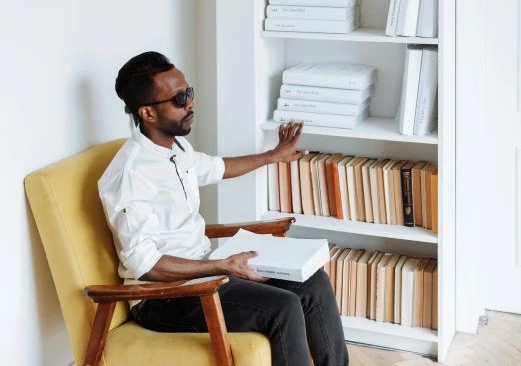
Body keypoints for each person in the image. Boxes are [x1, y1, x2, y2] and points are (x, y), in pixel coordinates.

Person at [99, 51, 349, 366]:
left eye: (188, 93)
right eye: (179, 99)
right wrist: (223, 265)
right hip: (163, 299)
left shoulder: (175, 147)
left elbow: (216, 168)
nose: (190, 104)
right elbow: (145, 266)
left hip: (205, 273)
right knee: (283, 308)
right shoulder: (131, 175)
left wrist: (273, 155)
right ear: (147, 113)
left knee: (313, 283)